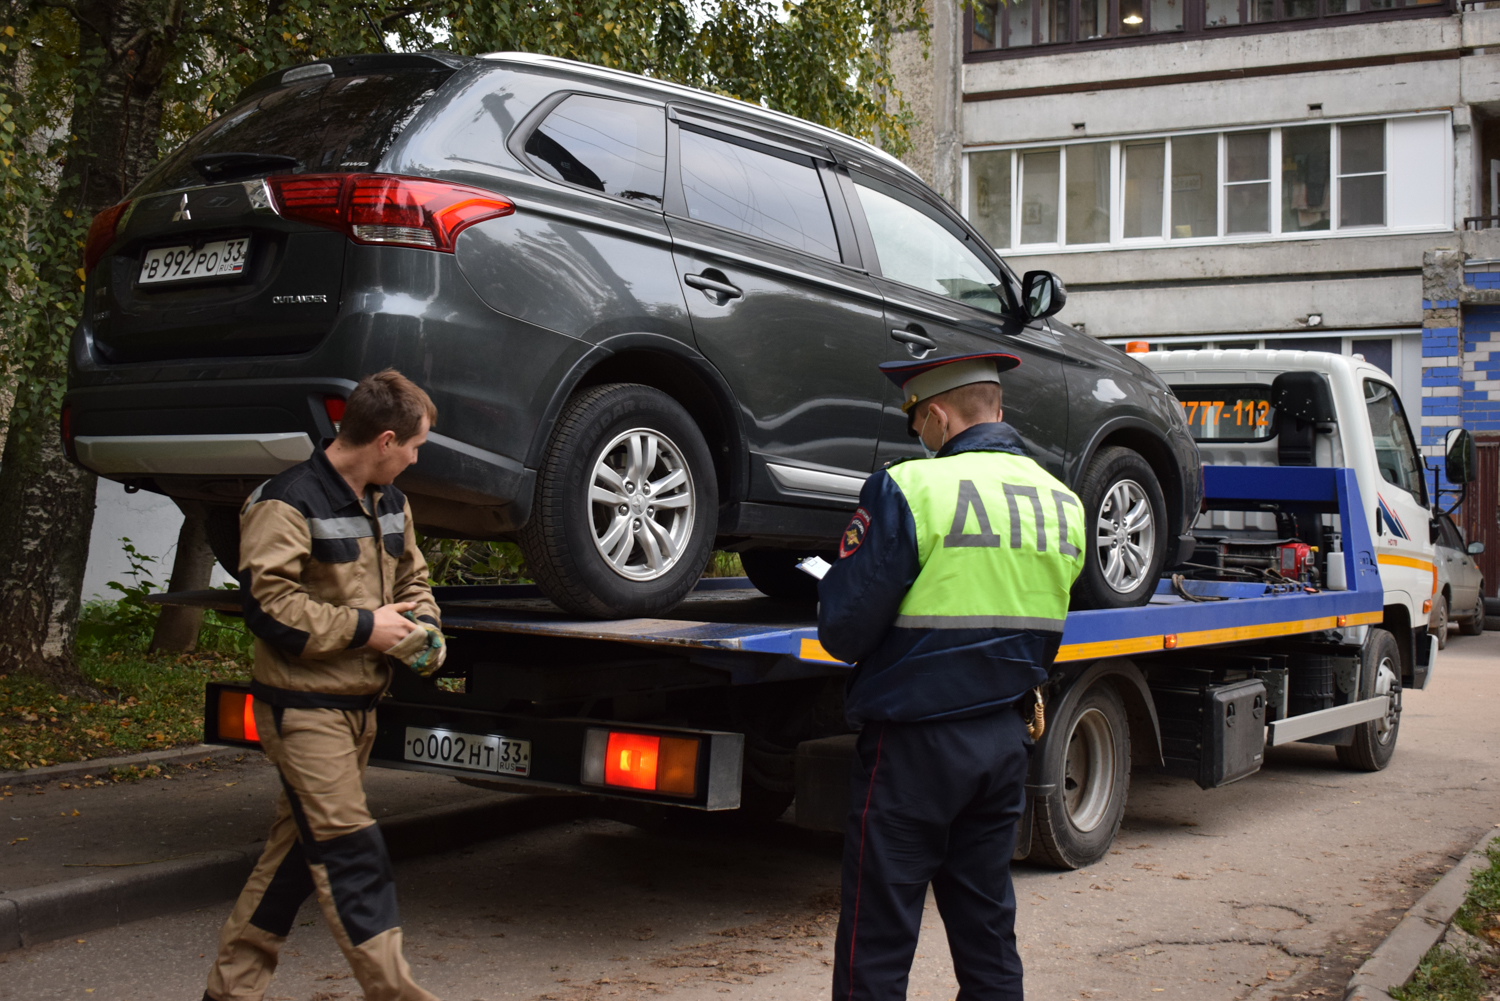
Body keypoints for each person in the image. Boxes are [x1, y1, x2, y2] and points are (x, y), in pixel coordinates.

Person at [818, 352, 1086, 1001]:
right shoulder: (1063, 503)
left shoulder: (912, 488)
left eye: (918, 423)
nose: (919, 437)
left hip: (912, 748)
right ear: (996, 406)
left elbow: (844, 629)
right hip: (1003, 741)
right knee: (987, 931)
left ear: (936, 415)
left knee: (876, 942)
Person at [204, 369, 446, 1001]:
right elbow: (270, 608)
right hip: (303, 709)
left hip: (361, 707)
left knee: (289, 863)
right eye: (416, 446)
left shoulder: (393, 502)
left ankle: (228, 993)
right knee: (351, 853)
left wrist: (423, 627)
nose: (417, 458)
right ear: (386, 440)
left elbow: (414, 582)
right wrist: (369, 628)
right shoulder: (285, 501)